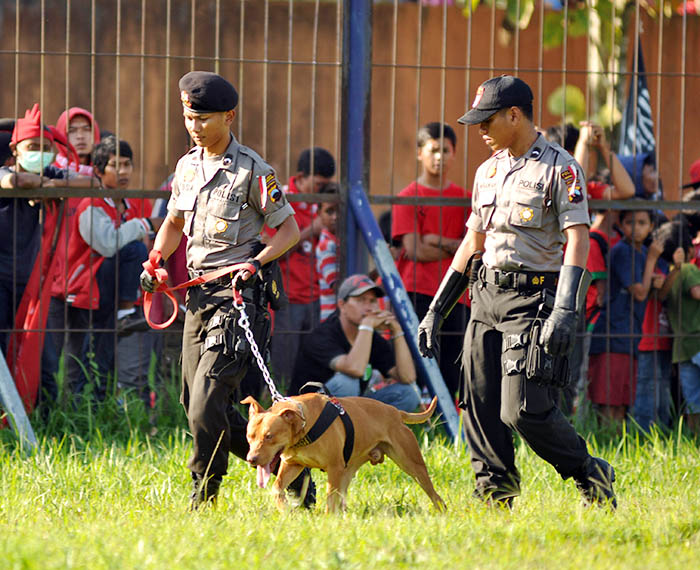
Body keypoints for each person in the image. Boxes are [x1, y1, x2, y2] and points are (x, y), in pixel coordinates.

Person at [417, 75, 616, 508]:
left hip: (534, 301)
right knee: (480, 405)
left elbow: (578, 238)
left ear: (515, 114)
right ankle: (495, 495)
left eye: (487, 121)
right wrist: (437, 308)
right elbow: (473, 242)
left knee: (522, 409)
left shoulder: (560, 168)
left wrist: (565, 309)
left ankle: (589, 472)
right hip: (484, 297)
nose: (481, 131)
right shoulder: (486, 171)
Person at [140, 71, 303, 509]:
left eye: (204, 118)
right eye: (189, 117)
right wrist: (155, 262)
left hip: (237, 300)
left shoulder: (253, 169)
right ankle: (288, 467)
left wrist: (257, 261)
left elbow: (289, 230)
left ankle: (203, 495)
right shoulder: (187, 166)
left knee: (207, 403)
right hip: (196, 298)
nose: (195, 127)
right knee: (192, 401)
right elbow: (173, 224)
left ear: (229, 116)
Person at [55, 136, 160, 398]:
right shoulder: (91, 205)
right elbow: (107, 244)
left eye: (127, 164)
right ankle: (77, 408)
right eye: (115, 165)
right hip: (85, 293)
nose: (123, 171)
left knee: (104, 357)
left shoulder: (123, 204)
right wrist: (144, 224)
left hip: (104, 292)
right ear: (99, 170)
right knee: (79, 358)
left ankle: (100, 406)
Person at [391, 121, 470, 399]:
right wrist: (455, 248)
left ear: (454, 153)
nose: (440, 156)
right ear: (419, 153)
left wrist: (437, 239)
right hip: (418, 291)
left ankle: (444, 426)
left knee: (452, 367)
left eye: (445, 150)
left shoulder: (464, 198)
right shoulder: (408, 197)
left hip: (457, 293)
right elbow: (416, 251)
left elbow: (473, 250)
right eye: (433, 150)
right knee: (417, 362)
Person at [289, 274, 420, 412]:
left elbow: (407, 377)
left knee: (409, 393)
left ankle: (366, 433)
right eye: (361, 300)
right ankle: (341, 432)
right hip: (306, 412)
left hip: (348, 409)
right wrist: (367, 324)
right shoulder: (322, 335)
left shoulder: (373, 338)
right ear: (342, 305)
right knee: (347, 382)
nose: (369, 307)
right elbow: (354, 369)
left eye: (372, 301)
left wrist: (397, 331)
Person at [588, 210, 663, 427]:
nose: (636, 228)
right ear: (621, 225)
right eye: (630, 222)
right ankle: (606, 442)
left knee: (621, 400)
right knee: (609, 401)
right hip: (613, 333)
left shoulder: (639, 252)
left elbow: (649, 286)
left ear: (650, 227)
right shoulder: (623, 251)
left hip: (629, 334)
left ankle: (616, 443)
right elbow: (640, 292)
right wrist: (652, 261)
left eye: (642, 223)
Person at [269, 147, 336, 387]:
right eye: (317, 185)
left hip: (319, 299)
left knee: (314, 365)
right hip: (288, 299)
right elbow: (270, 251)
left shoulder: (327, 203)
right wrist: (310, 231)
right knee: (283, 365)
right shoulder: (280, 200)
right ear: (301, 176)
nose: (320, 191)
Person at [658, 221, 700, 434]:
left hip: (681, 347)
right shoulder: (690, 269)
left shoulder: (670, 276)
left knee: (693, 398)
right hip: (697, 340)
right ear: (688, 249)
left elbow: (661, 296)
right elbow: (696, 293)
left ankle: (694, 436)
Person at [315, 182, 339, 322]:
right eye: (329, 211)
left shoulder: (340, 241)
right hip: (333, 319)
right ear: (319, 214)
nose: (335, 216)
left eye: (339, 210)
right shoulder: (326, 246)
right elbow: (339, 287)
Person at [53, 107, 100, 176]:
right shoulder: (51, 174)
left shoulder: (103, 174)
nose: (80, 136)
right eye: (72, 131)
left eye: (86, 129)